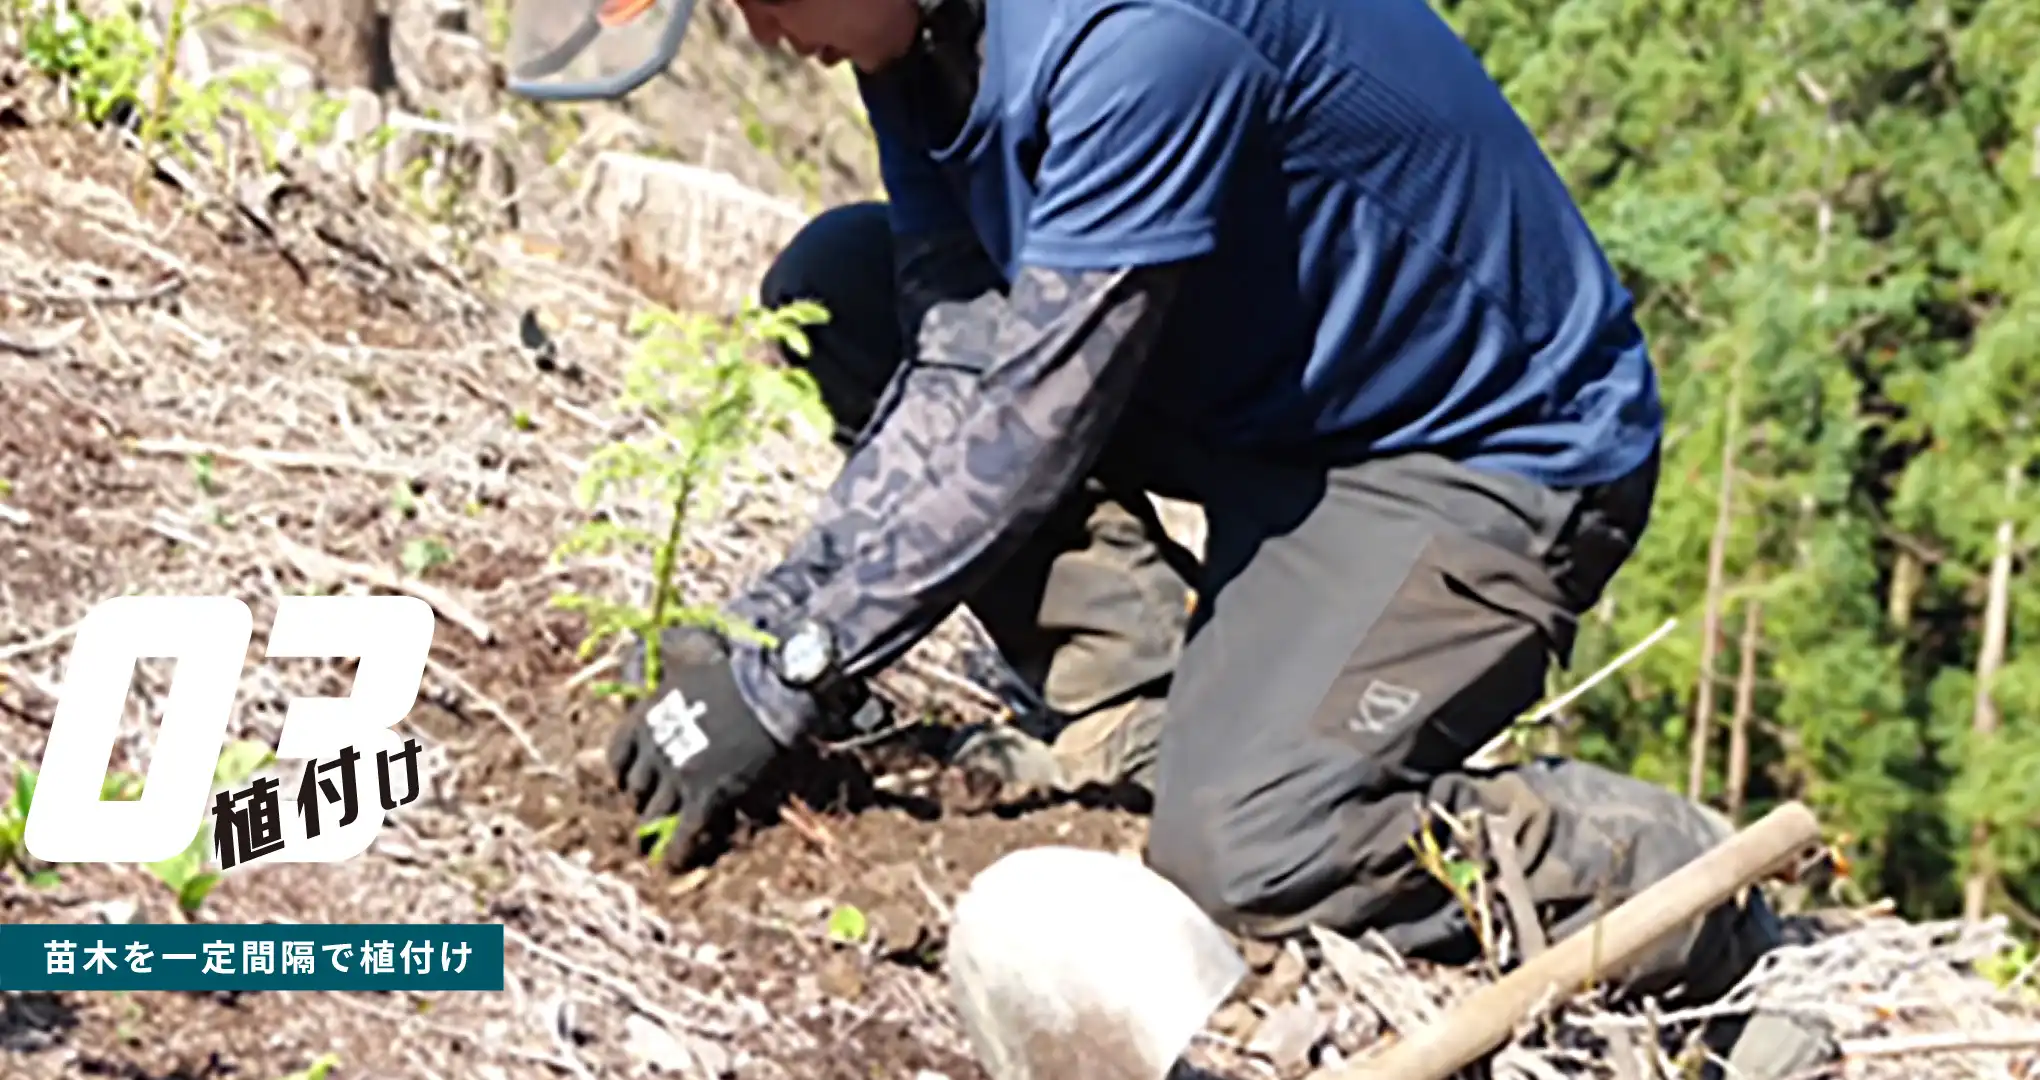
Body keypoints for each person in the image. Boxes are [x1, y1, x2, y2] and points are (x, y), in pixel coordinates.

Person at [504, 0, 1837, 1071]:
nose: (754, 30)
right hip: (1245, 381)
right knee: (845, 293)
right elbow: (962, 339)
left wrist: (788, 672)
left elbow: (1030, 411)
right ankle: (1132, 708)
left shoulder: (1138, 37)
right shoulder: (926, 37)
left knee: (1252, 848)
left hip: (1476, 453)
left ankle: (1684, 887)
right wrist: (772, 626)